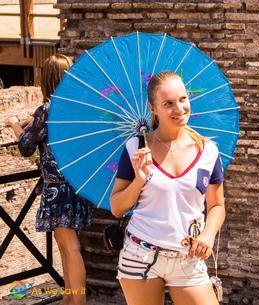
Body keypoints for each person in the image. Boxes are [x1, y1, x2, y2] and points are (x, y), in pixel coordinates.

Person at [110, 71, 225, 305]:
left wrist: (208, 235)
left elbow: (216, 206)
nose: (179, 108)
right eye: (169, 104)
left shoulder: (208, 151)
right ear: (153, 109)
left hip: (187, 259)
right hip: (140, 256)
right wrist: (140, 178)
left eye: (183, 99)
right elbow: (117, 208)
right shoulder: (135, 148)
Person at [4, 54, 92, 305]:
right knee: (65, 244)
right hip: (76, 186)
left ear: (48, 80)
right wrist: (35, 122)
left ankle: (78, 302)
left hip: (57, 190)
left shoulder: (47, 109)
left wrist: (14, 125)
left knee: (70, 247)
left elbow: (26, 147)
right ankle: (69, 297)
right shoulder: (78, 110)